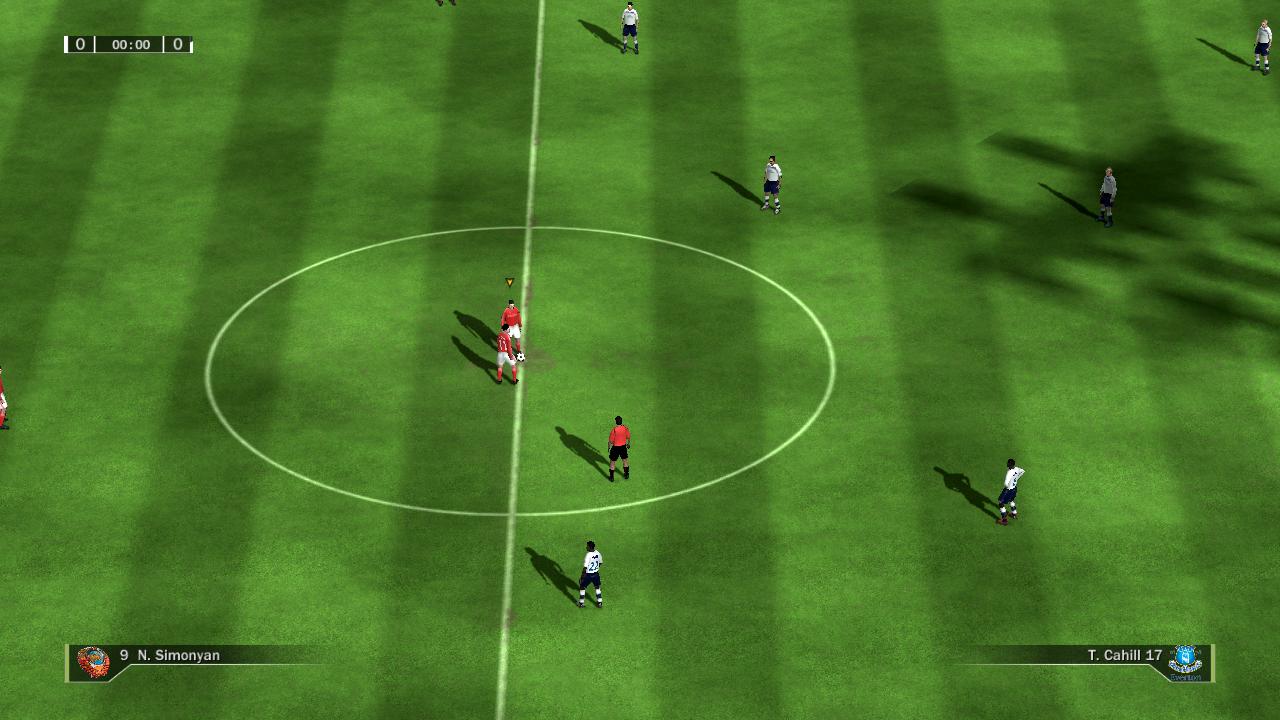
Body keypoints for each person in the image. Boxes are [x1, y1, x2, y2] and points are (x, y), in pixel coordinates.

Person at [997, 458, 1024, 526]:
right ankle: (1014, 514)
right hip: (1014, 488)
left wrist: (1007, 487)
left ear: (1010, 464)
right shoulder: (1017, 469)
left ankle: (1004, 520)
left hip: (1008, 490)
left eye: (1008, 463)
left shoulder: (1009, 472)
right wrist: (1016, 478)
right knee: (1011, 500)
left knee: (1000, 502)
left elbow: (1006, 483)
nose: (1007, 464)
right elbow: (1022, 471)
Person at [578, 540, 603, 608]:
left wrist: (582, 577)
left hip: (588, 575)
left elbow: (585, 567)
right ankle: (600, 602)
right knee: (597, 587)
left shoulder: (588, 555)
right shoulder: (598, 553)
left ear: (589, 547)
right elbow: (600, 562)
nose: (586, 547)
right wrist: (596, 568)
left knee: (582, 587)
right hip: (596, 574)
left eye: (587, 546)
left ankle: (581, 603)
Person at [607, 416, 630, 480]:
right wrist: (628, 444)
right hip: (623, 447)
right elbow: (628, 437)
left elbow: (610, 441)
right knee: (625, 461)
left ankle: (611, 477)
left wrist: (608, 448)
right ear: (621, 421)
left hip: (615, 448)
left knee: (612, 462)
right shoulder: (625, 428)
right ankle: (626, 474)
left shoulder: (614, 430)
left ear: (616, 422)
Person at [0, 366, 8, 431]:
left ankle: (2, 418)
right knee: (3, 408)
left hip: (1, 394)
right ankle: (0, 424)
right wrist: (0, 399)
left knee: (3, 408)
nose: (1, 371)